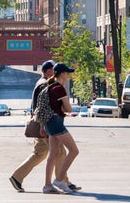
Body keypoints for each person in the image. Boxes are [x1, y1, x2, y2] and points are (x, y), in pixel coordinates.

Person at [9, 60, 79, 194]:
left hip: (43, 123)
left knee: (43, 154)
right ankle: (62, 181)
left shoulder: (43, 83)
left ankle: (20, 178)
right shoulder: (48, 85)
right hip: (46, 123)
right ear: (49, 71)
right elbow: (49, 107)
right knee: (60, 153)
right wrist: (43, 125)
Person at [43, 63, 80, 194]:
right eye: (67, 72)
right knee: (74, 151)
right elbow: (69, 109)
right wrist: (65, 107)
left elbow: (62, 107)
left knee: (52, 154)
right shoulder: (59, 88)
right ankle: (59, 180)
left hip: (49, 121)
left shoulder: (51, 86)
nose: (68, 75)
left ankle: (47, 185)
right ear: (62, 74)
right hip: (56, 121)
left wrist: (63, 108)